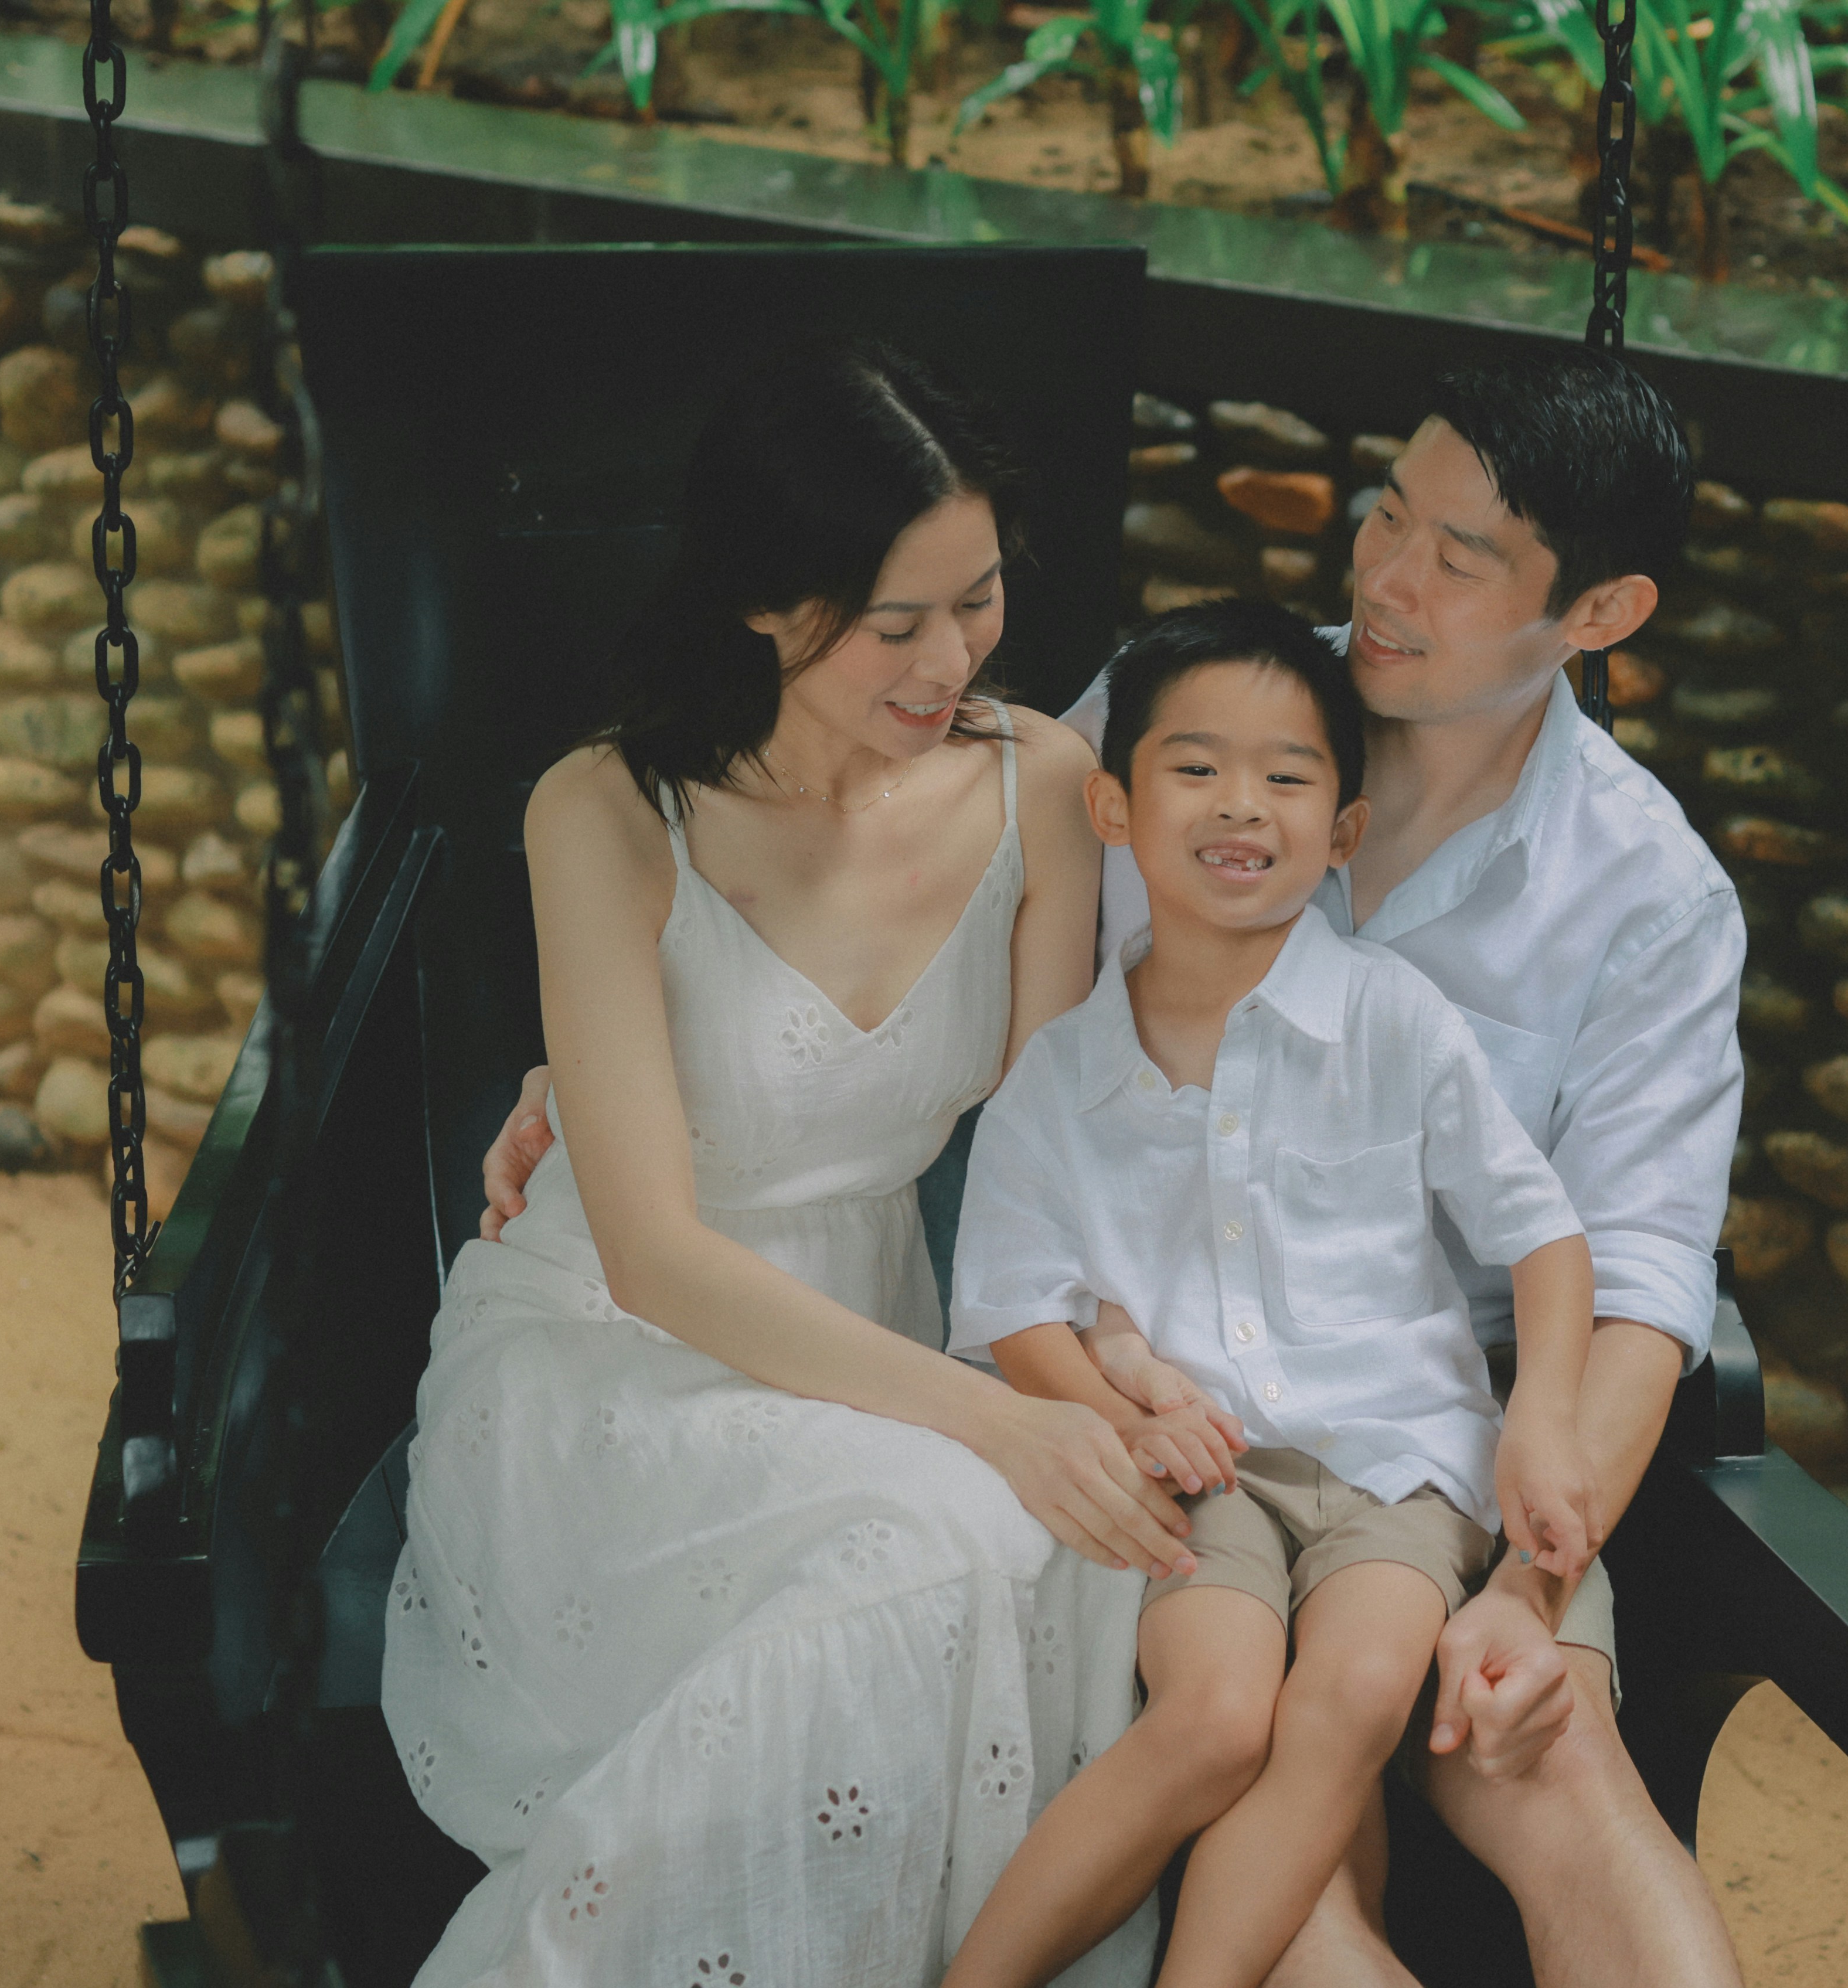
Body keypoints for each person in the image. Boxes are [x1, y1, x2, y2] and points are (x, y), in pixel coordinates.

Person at [482, 348, 1750, 1987]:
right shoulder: (1198, 701)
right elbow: (922, 893)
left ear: (1598, 615)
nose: (1383, 577)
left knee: (1546, 1751)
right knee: (1282, 1841)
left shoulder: (1648, 899)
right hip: (1158, 1427)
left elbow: (1642, 1284)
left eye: (1459, 557)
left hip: (1426, 1453)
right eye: (1385, 517)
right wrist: (628, 1038)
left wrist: (1529, 1572)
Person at [382, 340, 1199, 1988]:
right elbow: (654, 1258)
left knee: (1093, 1543)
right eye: (892, 623)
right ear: (764, 599)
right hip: (610, 1360)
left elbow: (1047, 1150)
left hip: (877, 1339)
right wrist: (998, 1420)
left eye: (975, 601)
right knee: (941, 1534)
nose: (949, 654)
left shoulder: (1039, 781)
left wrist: (1102, 1360)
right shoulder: (606, 812)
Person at [937, 603, 1601, 1988]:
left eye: (1291, 778)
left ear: (1343, 832)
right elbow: (1010, 1307)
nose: (1244, 806)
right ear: (1114, 806)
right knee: (1218, 1712)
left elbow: (1542, 1234)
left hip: (1402, 1464)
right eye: (1196, 768)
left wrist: (1539, 1416)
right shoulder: (1060, 1076)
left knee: (1354, 1692)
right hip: (1205, 1469)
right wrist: (1113, 1418)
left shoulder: (1391, 1019)